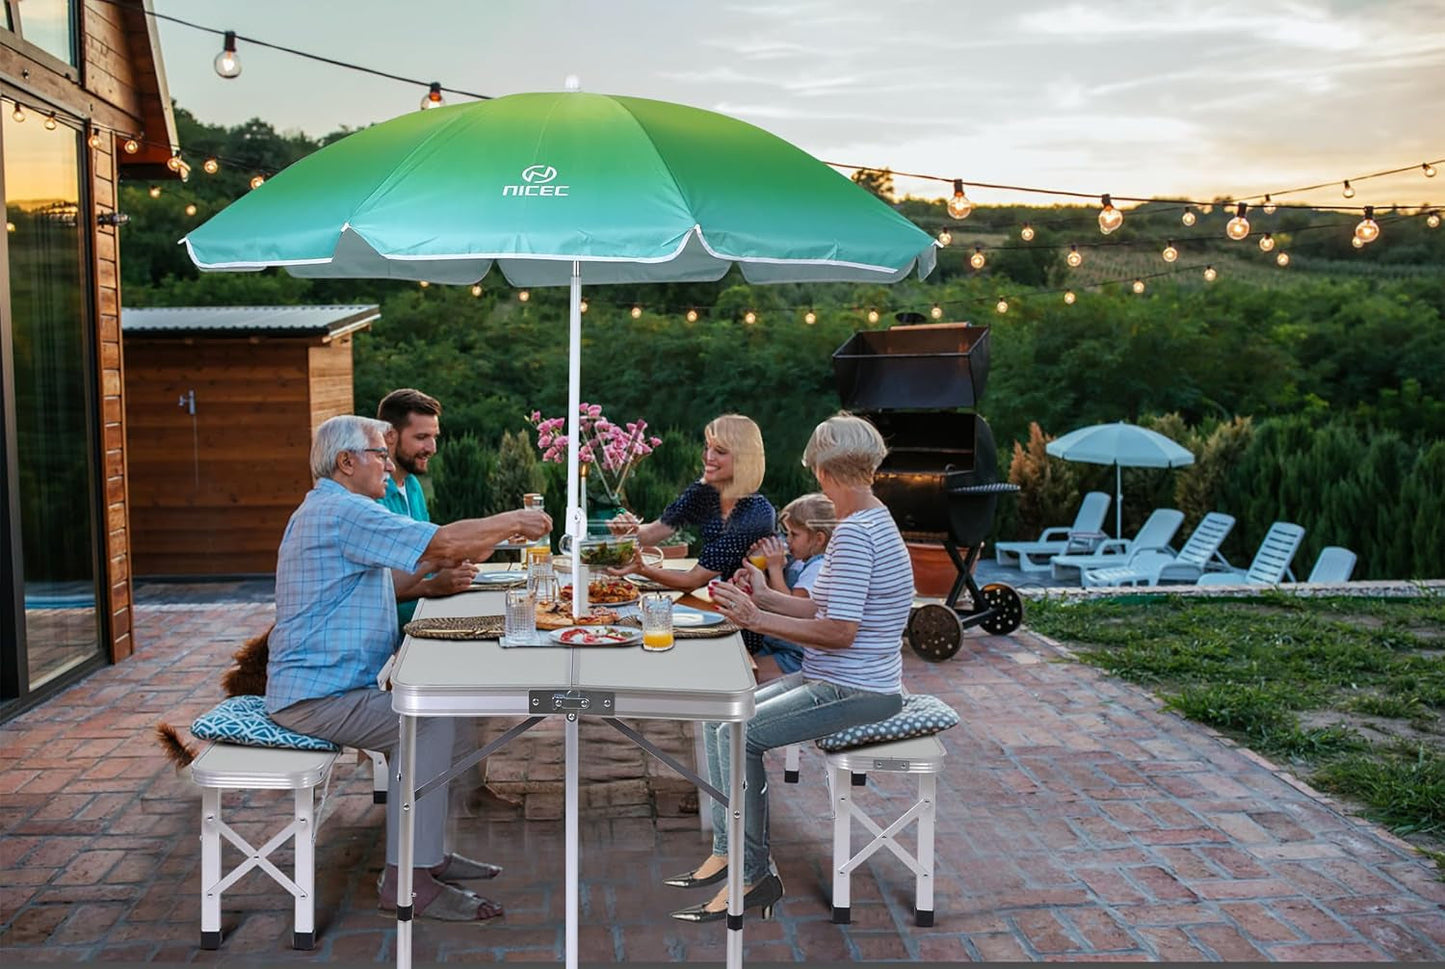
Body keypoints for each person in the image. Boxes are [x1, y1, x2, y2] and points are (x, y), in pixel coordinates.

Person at [266, 415, 552, 922]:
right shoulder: (343, 511)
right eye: (379, 453)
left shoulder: (335, 509)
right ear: (345, 461)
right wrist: (513, 520)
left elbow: (413, 566)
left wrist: (450, 559)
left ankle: (426, 856)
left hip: (327, 688)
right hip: (315, 698)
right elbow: (441, 543)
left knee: (440, 712)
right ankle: (407, 882)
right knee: (427, 721)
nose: (387, 463)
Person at [667, 413, 909, 923]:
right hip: (834, 679)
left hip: (856, 690)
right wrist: (762, 595)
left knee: (741, 733)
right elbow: (819, 607)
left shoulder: (855, 534)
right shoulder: (868, 520)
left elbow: (840, 632)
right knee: (719, 714)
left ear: (821, 469)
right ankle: (728, 849)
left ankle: (753, 874)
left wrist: (756, 618)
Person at [607, 414, 775, 593]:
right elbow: (653, 532)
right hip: (723, 597)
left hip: (753, 603)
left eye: (720, 451)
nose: (708, 457)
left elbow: (693, 580)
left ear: (745, 459)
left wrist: (642, 569)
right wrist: (628, 531)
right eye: (707, 447)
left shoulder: (754, 514)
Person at [376, 389, 476, 627]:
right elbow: (375, 588)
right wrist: (432, 586)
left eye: (434, 437)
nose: (432, 448)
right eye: (421, 437)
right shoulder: (372, 495)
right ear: (389, 436)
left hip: (427, 619)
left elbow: (427, 554)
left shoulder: (412, 485)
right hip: (395, 634)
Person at [747, 492, 835, 683]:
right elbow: (771, 596)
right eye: (787, 533)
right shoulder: (799, 562)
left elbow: (791, 609)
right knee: (740, 666)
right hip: (776, 644)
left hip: (795, 656)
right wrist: (762, 568)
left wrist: (775, 568)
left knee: (743, 676)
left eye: (794, 534)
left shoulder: (819, 568)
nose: (787, 540)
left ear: (818, 539)